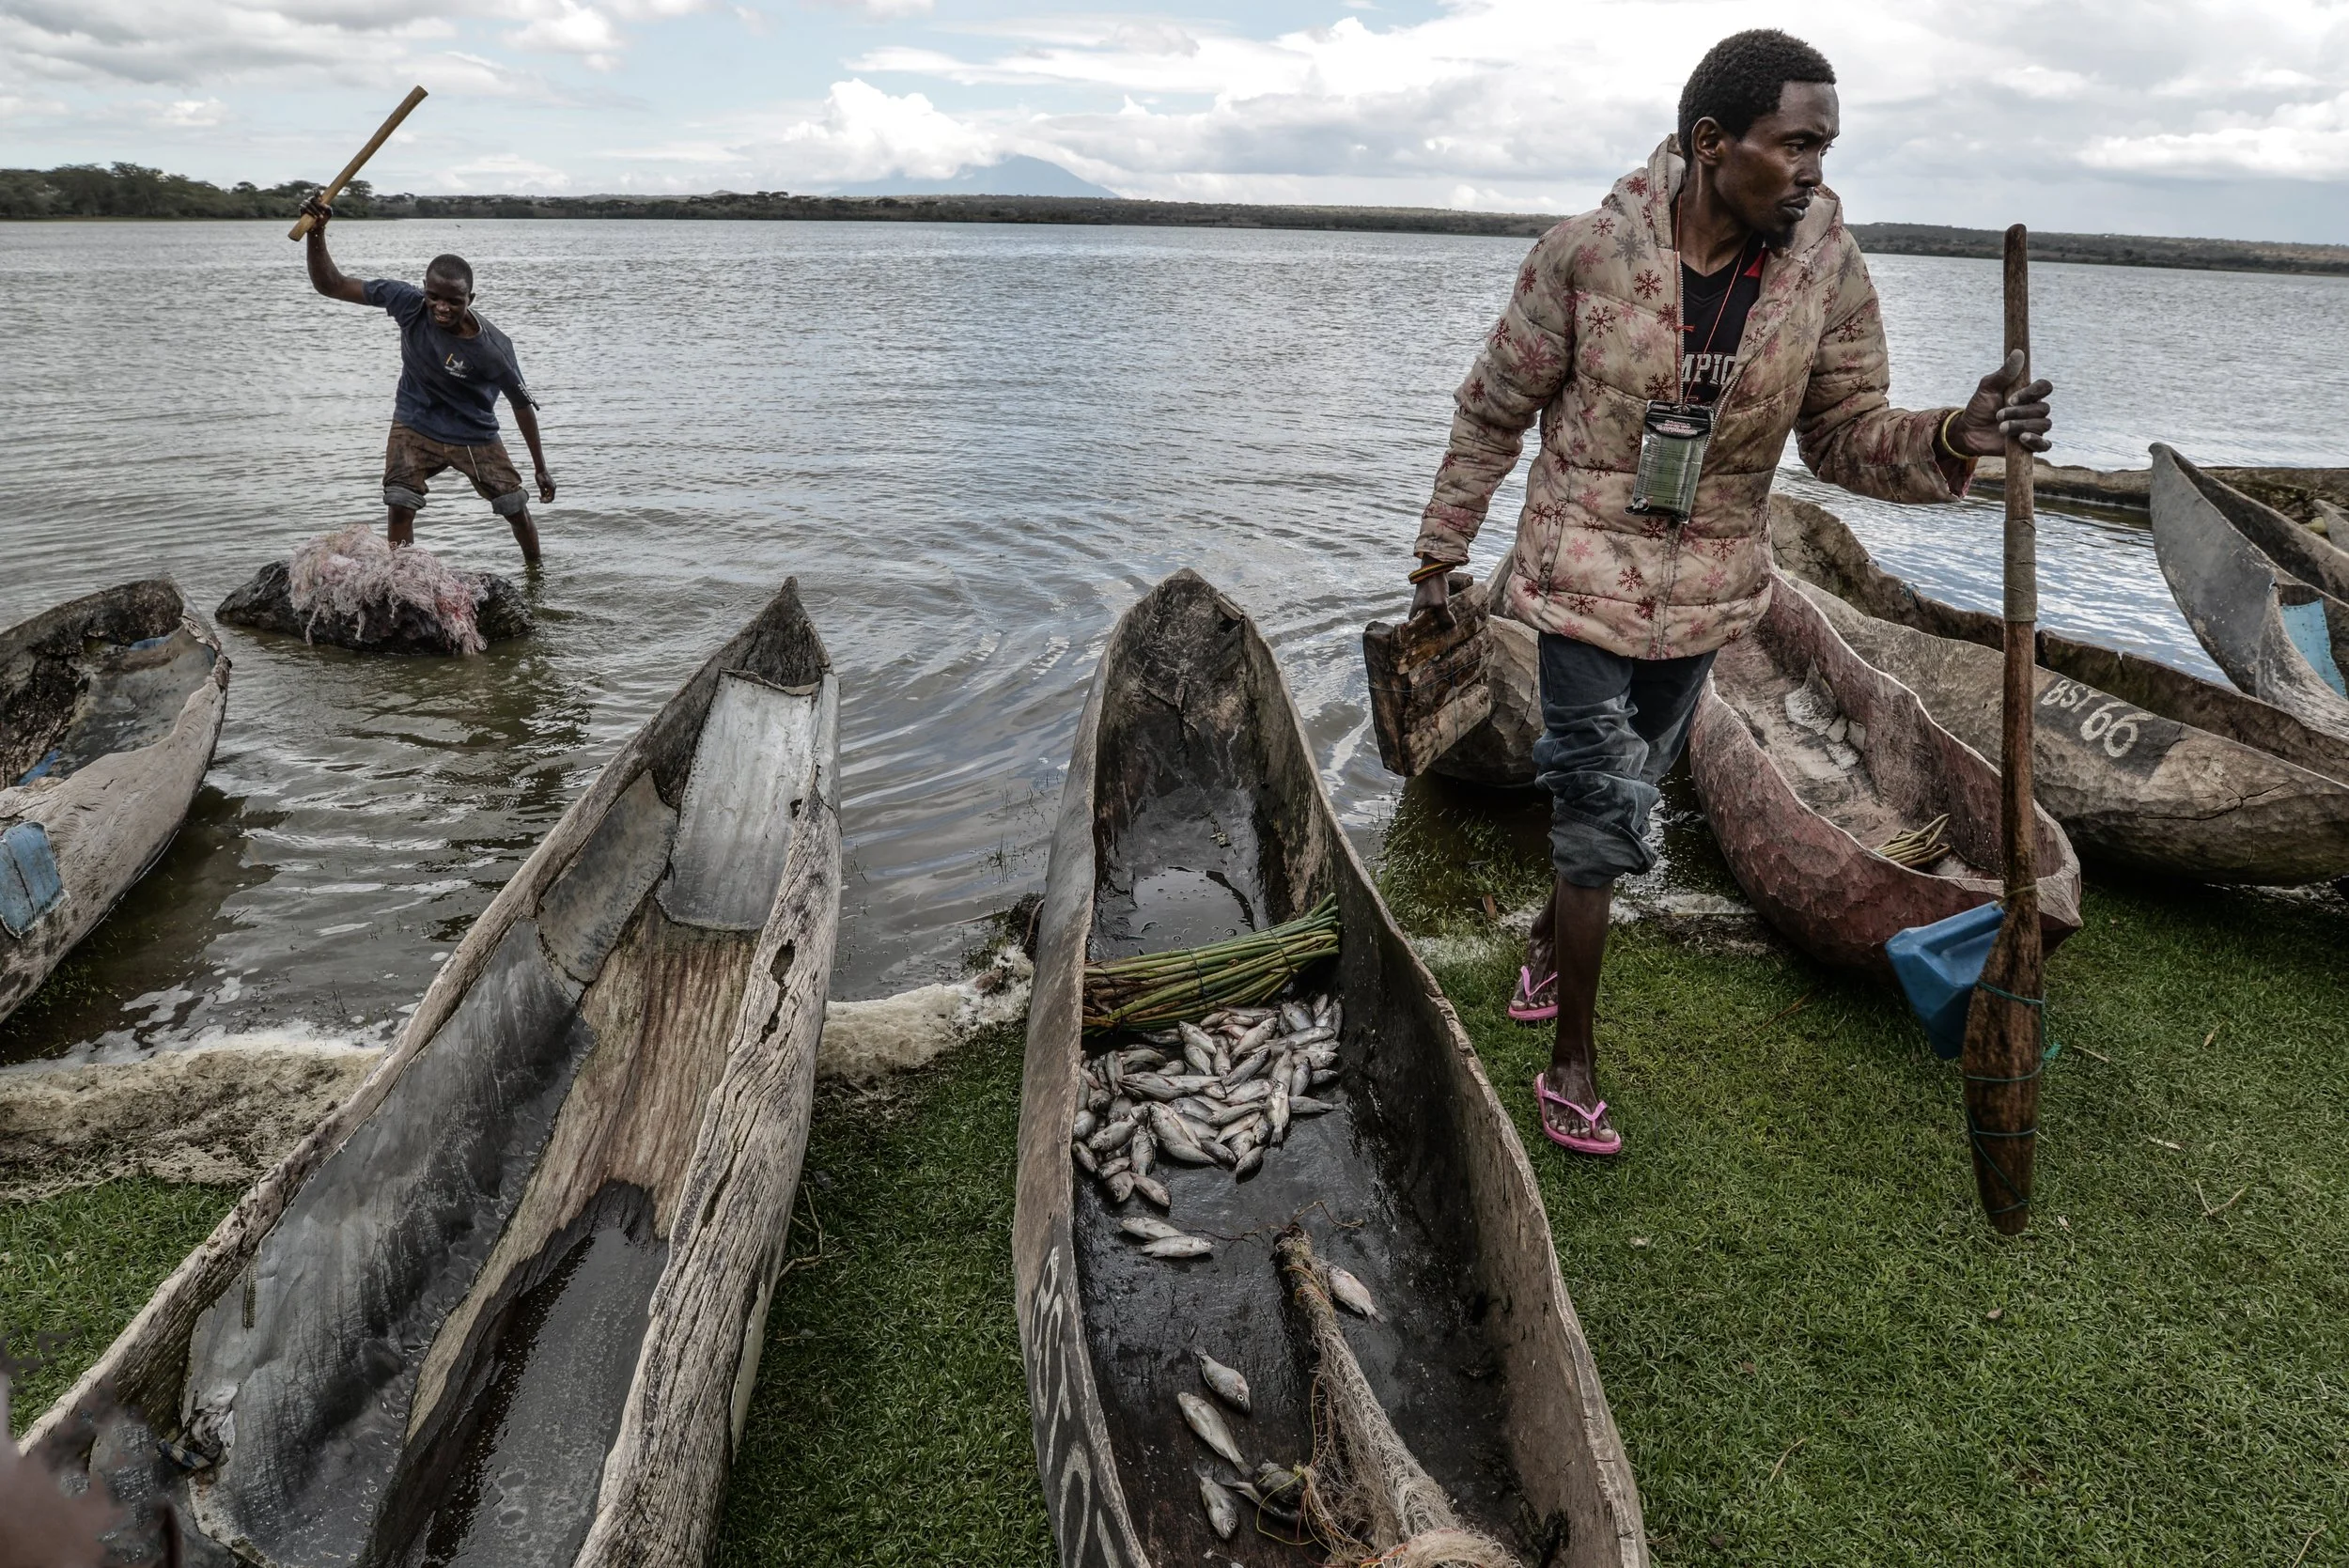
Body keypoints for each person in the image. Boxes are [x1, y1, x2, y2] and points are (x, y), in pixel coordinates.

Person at [1407, 29, 2055, 1157]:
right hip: (1576, 582)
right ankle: (1572, 1058)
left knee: (1626, 789)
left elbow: (1848, 439)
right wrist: (1438, 557)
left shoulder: (1827, 273)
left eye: (1825, 146)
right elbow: (1491, 412)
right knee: (1602, 810)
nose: (1813, 169)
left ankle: (1544, 943)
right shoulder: (1584, 256)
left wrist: (1960, 432)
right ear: (1712, 145)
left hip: (1710, 595)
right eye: (1793, 144)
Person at [298, 193, 555, 565]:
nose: (442, 308)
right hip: (414, 424)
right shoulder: (407, 303)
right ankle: (401, 579)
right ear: (424, 289)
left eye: (454, 301)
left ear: (471, 298)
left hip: (472, 433)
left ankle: (536, 572)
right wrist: (316, 233)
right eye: (434, 297)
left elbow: (522, 406)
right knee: (400, 504)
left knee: (513, 506)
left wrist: (540, 467)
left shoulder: (493, 350)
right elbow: (332, 285)